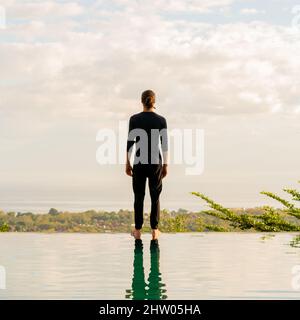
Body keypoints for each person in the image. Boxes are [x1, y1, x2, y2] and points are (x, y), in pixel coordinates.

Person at [126, 90, 168, 240]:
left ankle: (137, 231)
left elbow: (130, 143)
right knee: (155, 197)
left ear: (141, 101)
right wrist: (166, 165)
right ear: (154, 102)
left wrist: (127, 163)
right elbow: (164, 145)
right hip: (155, 162)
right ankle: (155, 230)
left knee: (139, 196)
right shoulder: (161, 120)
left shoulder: (134, 119)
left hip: (139, 161)